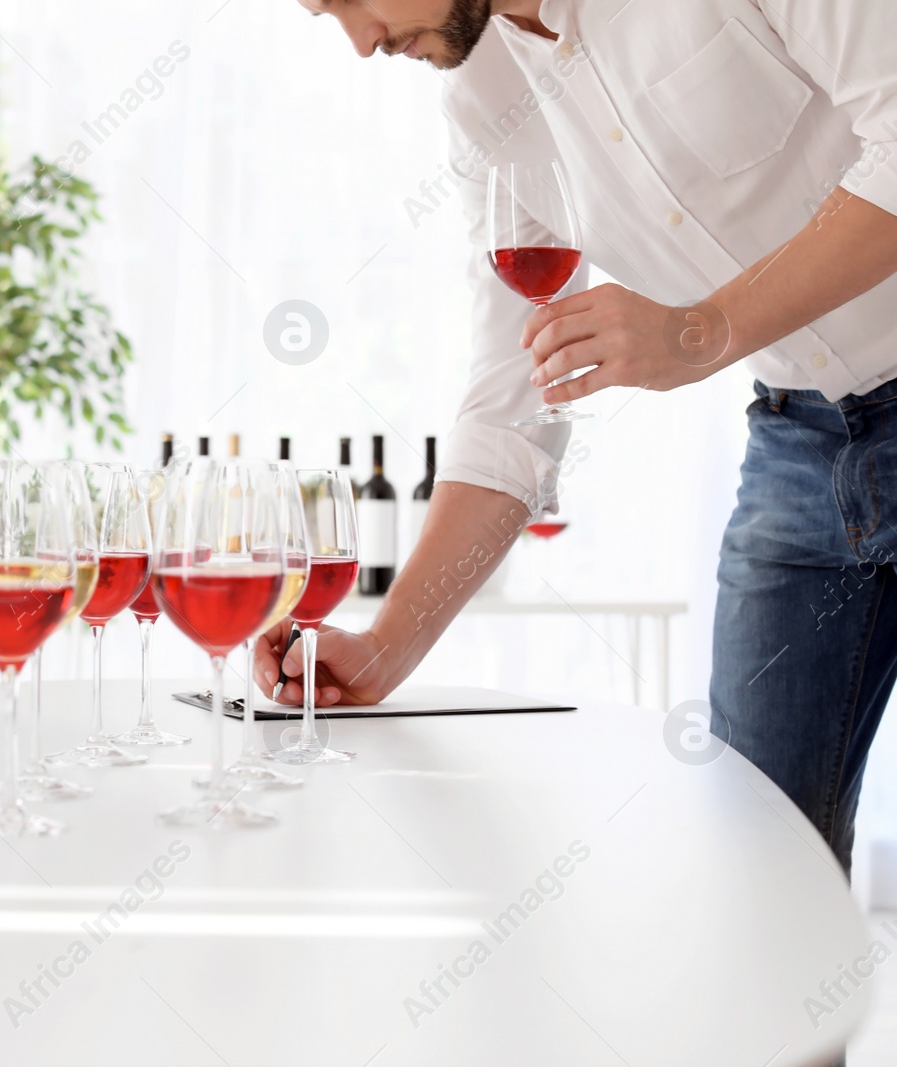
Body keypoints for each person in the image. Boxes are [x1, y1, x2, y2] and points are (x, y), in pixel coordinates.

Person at [267, 0, 897, 878]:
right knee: (764, 870)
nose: (361, 41)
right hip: (801, 446)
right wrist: (382, 648)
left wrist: (705, 329)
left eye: (347, 1)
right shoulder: (487, 103)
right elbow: (515, 397)